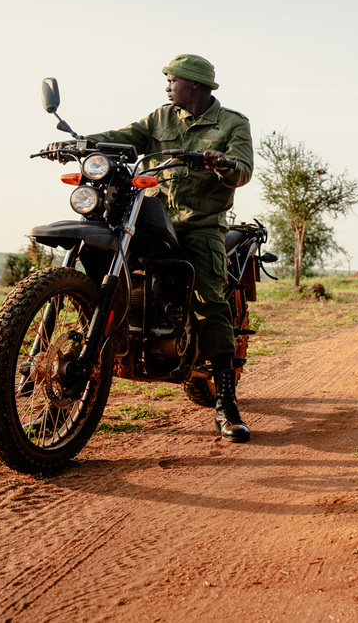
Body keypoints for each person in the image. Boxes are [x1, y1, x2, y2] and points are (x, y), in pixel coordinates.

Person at [81, 54, 255, 441]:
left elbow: (242, 169)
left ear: (192, 84)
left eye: (172, 80)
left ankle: (226, 403)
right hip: (153, 215)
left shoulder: (231, 123)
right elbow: (124, 137)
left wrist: (222, 163)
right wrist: (84, 141)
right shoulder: (160, 118)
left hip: (200, 223)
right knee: (97, 250)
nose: (167, 86)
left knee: (210, 301)